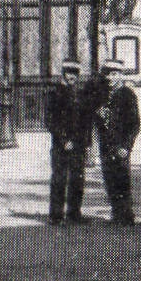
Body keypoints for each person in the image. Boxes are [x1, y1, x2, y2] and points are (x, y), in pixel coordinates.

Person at [44, 60, 93, 224]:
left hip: (79, 144)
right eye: (68, 73)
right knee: (59, 178)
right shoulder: (55, 93)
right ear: (63, 74)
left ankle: (74, 213)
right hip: (61, 145)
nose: (72, 76)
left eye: (74, 73)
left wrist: (88, 144)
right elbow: (50, 121)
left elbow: (87, 122)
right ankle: (56, 215)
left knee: (78, 179)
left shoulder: (82, 95)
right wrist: (64, 140)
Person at [95, 62, 141, 226]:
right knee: (109, 178)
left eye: (114, 74)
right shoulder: (103, 94)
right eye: (108, 74)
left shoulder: (127, 94)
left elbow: (135, 124)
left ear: (121, 75)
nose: (110, 78)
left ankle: (127, 216)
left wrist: (126, 146)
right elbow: (98, 120)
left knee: (122, 179)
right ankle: (116, 213)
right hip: (106, 144)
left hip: (121, 145)